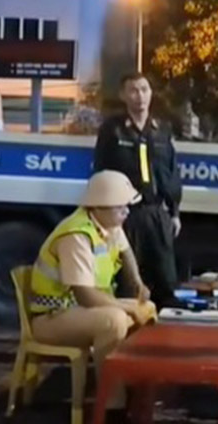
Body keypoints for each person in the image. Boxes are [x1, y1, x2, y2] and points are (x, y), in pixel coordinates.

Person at [29, 170, 157, 410]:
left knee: (147, 310)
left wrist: (138, 284)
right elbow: (84, 295)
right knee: (115, 321)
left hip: (80, 310)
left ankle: (133, 388)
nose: (127, 212)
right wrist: (127, 306)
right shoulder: (77, 235)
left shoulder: (108, 225)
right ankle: (112, 403)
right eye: (121, 208)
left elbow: (125, 251)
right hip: (53, 317)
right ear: (99, 208)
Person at [93, 72, 182, 307]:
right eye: (133, 90)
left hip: (156, 213)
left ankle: (162, 334)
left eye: (144, 89)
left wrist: (174, 213)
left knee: (165, 279)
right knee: (127, 282)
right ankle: (126, 333)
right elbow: (101, 173)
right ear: (123, 95)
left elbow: (171, 173)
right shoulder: (113, 130)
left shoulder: (160, 130)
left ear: (151, 93)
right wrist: (106, 217)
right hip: (126, 214)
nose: (139, 96)